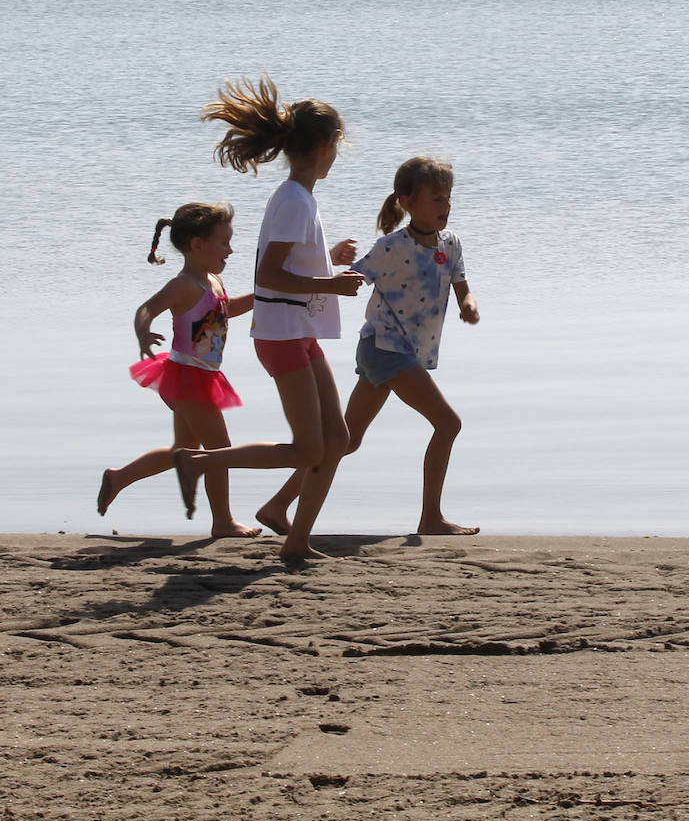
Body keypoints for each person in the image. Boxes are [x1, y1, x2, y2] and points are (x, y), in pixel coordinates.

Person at [173, 76, 365, 564]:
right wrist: (331, 285)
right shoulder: (294, 200)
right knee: (308, 449)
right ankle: (205, 461)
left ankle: (294, 536)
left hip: (299, 331)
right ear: (326, 147)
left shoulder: (299, 198)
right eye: (338, 146)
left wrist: (328, 261)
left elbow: (290, 265)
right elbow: (269, 276)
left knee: (336, 440)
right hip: (281, 335)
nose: (337, 155)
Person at [258, 156, 480, 536]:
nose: (445, 207)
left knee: (348, 439)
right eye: (436, 200)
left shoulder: (451, 242)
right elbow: (353, 279)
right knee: (448, 423)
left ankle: (277, 505)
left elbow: (460, 281)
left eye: (447, 199)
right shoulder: (392, 247)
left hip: (404, 351)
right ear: (407, 202)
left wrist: (468, 303)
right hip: (385, 348)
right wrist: (331, 265)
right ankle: (431, 517)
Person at [97, 202, 260, 537]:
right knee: (219, 449)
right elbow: (147, 308)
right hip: (188, 375)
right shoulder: (184, 284)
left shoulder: (212, 279)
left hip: (203, 374)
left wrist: (261, 296)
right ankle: (223, 521)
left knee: (182, 451)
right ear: (197, 245)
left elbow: (225, 313)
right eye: (224, 243)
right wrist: (143, 331)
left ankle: (119, 477)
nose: (231, 250)